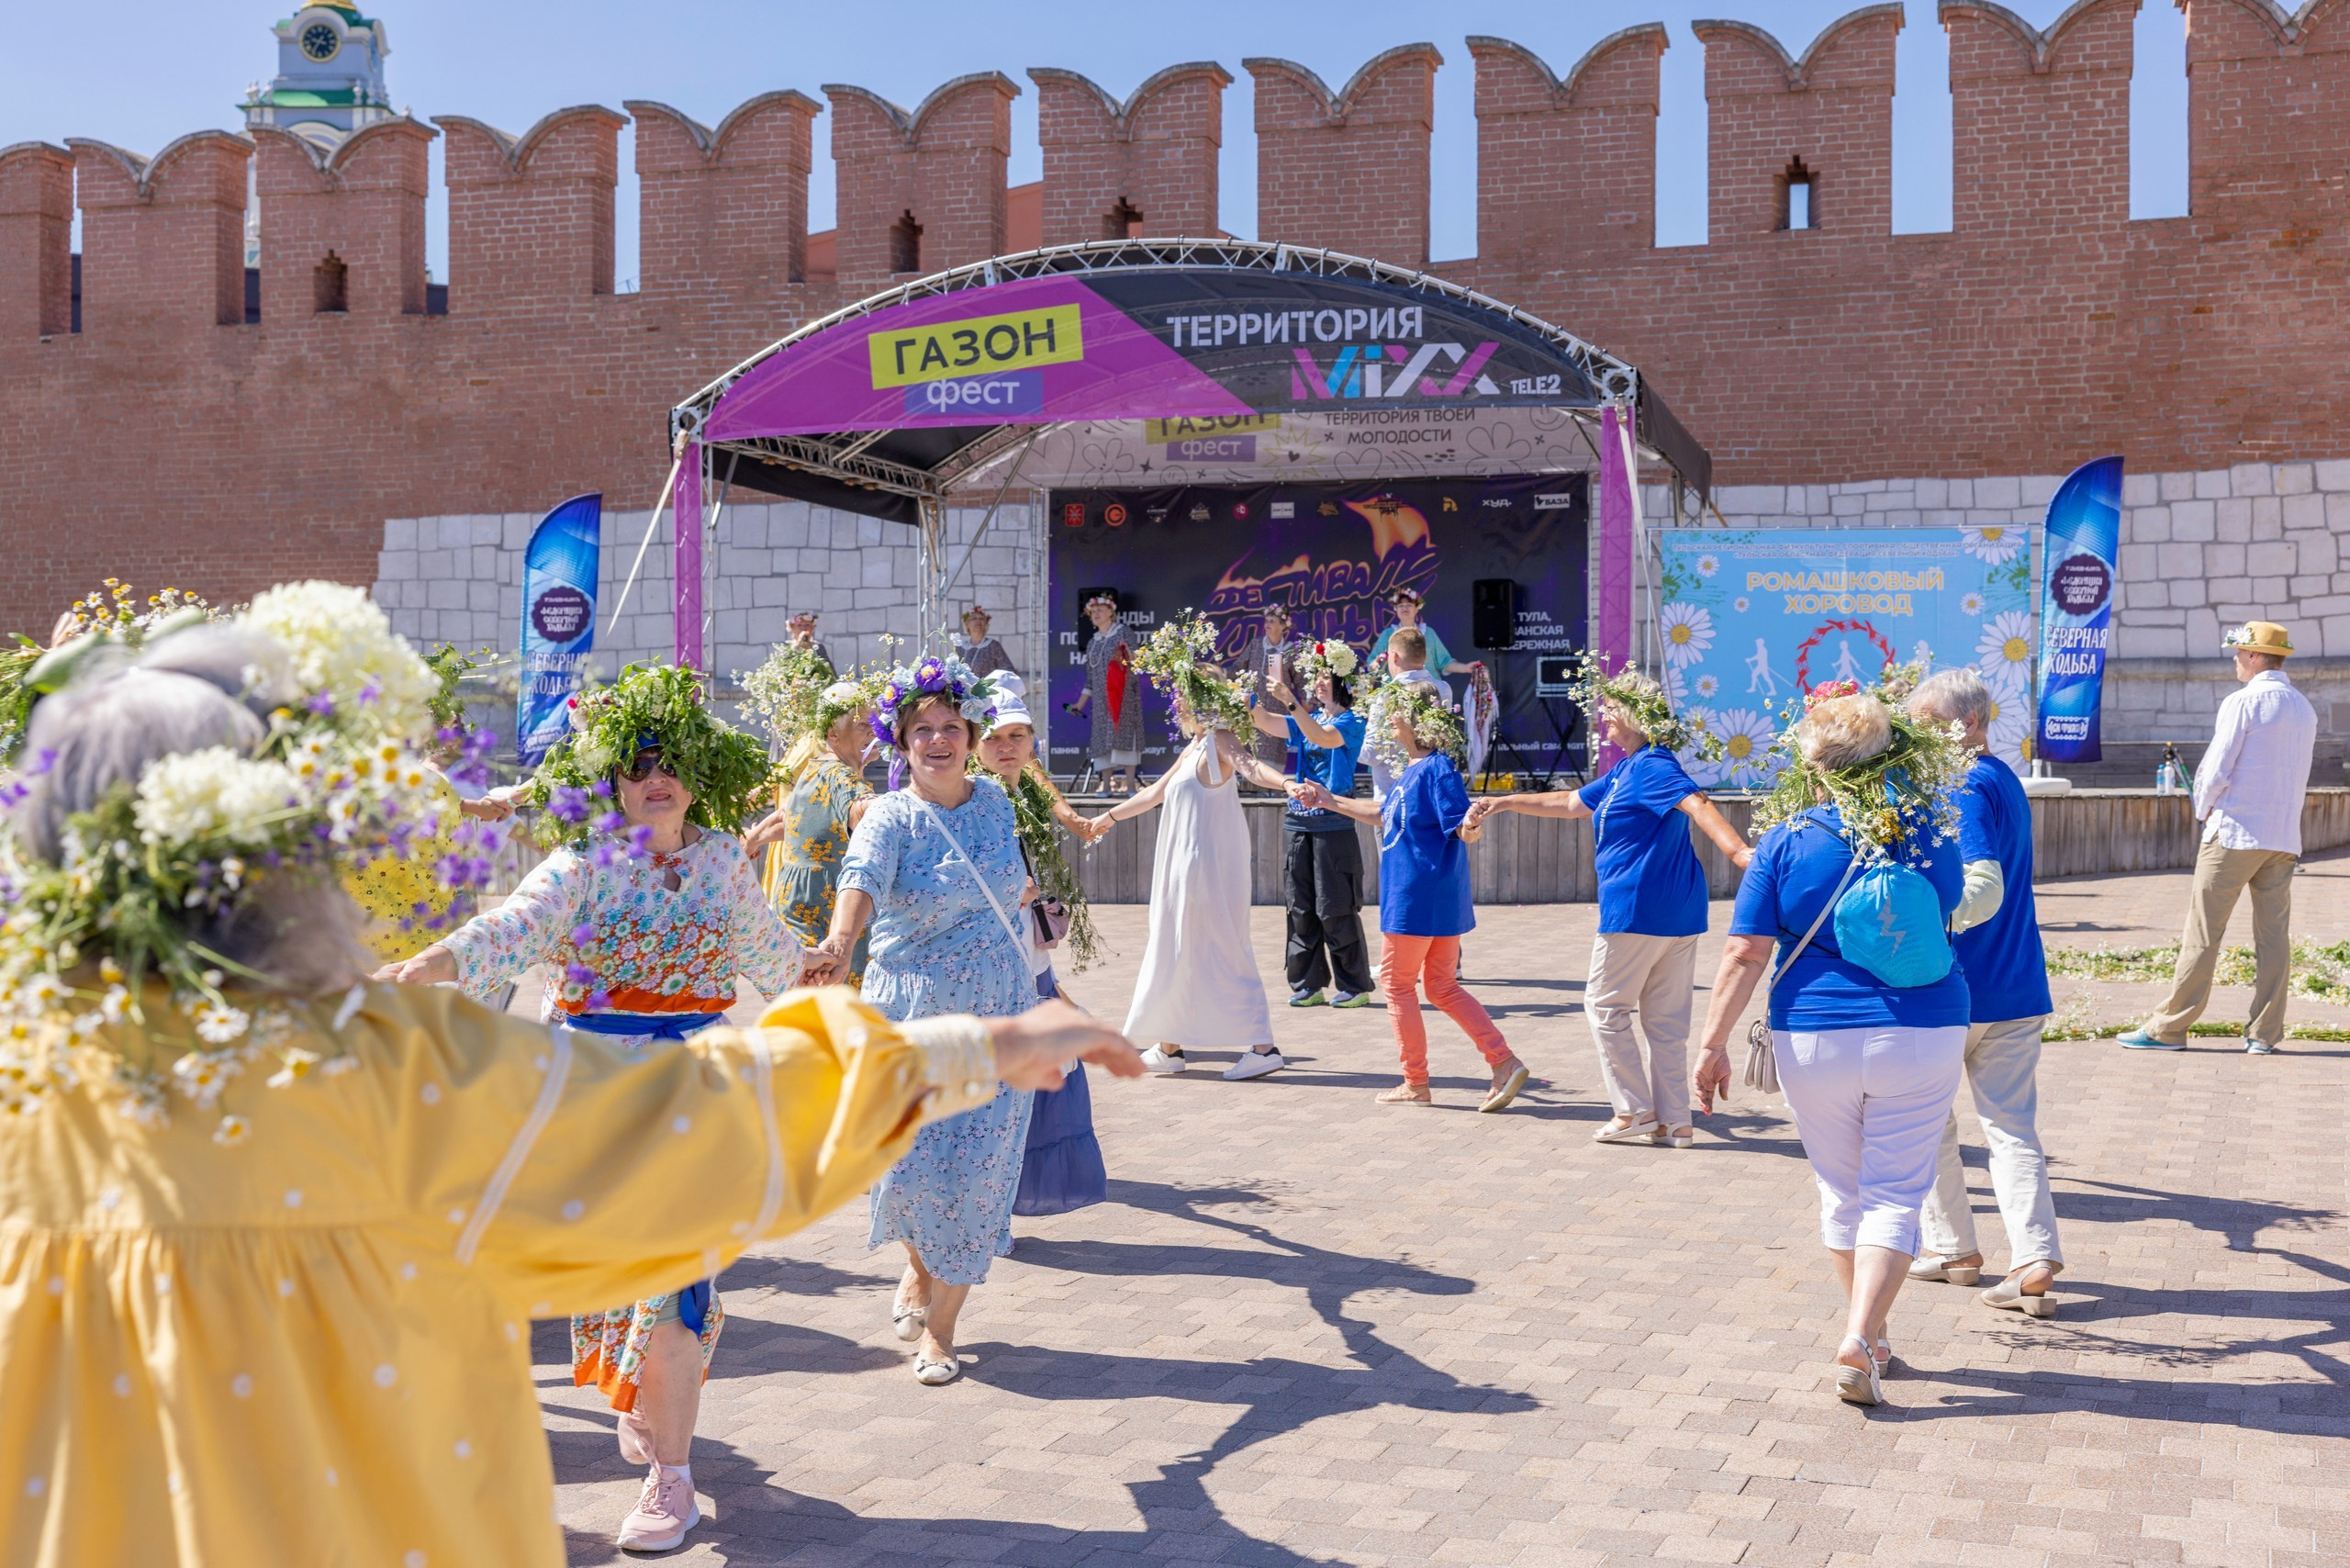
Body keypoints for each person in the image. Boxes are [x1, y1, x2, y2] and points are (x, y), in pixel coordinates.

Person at [0, 598, 1148, 1568]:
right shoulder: (388, 1068)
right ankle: (662, 1438)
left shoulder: (24, 1088)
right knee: (642, 1290)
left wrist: (860, 977)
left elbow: (743, 980)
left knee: (668, 1304)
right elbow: (703, 1126)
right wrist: (975, 1049)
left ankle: (673, 1454)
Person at [384, 666, 801, 1552]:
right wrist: (438, 961)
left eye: (673, 761)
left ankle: (673, 1479)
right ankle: (651, 1403)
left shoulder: (724, 859)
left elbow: (776, 958)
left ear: (699, 776)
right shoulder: (581, 863)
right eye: (638, 763)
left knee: (672, 1285)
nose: (658, 776)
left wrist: (839, 966)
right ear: (611, 781)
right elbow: (513, 926)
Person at [1690, 683, 1971, 1406]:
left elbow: (1745, 951)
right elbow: (1944, 912)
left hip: (1813, 1033)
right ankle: (1863, 1335)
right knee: (1896, 1194)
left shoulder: (1787, 838)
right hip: (1922, 1027)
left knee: (1842, 1191)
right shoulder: (1928, 830)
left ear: (1816, 765)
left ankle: (1866, 1336)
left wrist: (1712, 1044)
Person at [801, 655, 1036, 1386]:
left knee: (979, 1178)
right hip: (909, 1018)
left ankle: (940, 1330)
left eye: (950, 728)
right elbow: (859, 879)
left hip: (998, 1021)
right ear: (900, 746)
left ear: (970, 735)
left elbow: (1015, 879)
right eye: (921, 731)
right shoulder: (889, 815)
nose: (938, 740)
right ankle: (917, 1269)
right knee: (908, 1174)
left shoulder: (999, 804)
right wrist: (841, 943)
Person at [1469, 670, 1751, 1148]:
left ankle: (1635, 1111)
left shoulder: (1654, 766)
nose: (1602, 716)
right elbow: (1570, 801)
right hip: (1675, 912)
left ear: (1631, 715)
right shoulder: (1627, 770)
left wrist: (1739, 853)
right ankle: (1675, 1120)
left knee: (1604, 1007)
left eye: (1609, 708)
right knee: (1663, 1020)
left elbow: (1698, 804)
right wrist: (1505, 802)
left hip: (1639, 909)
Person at [1904, 669, 2066, 1318]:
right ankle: (2016, 1256)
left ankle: (1960, 1250)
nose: (1915, 732)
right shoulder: (2001, 777)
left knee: (1925, 1120)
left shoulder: (1966, 785)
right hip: (2017, 983)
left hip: (1959, 988)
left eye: (1924, 720)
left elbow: (1985, 887)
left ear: (1967, 724)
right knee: (2010, 1129)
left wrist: (1923, 927)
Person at [1299, 681, 1531, 1109]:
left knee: (1396, 983)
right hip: (1433, 897)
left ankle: (1416, 1082)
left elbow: (1462, 825)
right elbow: (1383, 815)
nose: (1388, 718)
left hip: (1416, 896)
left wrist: (1471, 827)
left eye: (1395, 710)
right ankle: (1502, 1061)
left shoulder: (1437, 768)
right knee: (1440, 986)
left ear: (1416, 719)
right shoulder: (1416, 769)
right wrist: (1328, 800)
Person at [1087, 628, 1290, 1079]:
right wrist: (1108, 818)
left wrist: (1290, 783)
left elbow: (1253, 768)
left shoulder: (1220, 739)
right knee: (1177, 949)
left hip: (1206, 872)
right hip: (1181, 870)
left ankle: (1264, 1047)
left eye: (1181, 697)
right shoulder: (1195, 746)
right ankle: (1169, 1047)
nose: (1175, 705)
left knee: (1223, 950)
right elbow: (1155, 793)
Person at [2119, 621, 2318, 1055]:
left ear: (2254, 656)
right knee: (2273, 937)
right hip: (2283, 836)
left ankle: (2170, 1028)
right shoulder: (2304, 708)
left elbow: (2215, 769)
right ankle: (2264, 1035)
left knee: (2203, 933)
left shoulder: (2243, 701)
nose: (2234, 659)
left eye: (2239, 652)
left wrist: (2202, 811)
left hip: (2234, 832)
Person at [971, 674, 1110, 1217]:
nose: (1006, 748)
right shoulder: (970, 798)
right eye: (994, 738)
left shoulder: (1018, 790)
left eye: (1018, 737)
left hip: (1027, 958)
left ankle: (1001, 1204)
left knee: (1038, 1086)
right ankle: (984, 1209)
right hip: (987, 962)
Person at [1248, 641, 1374, 1008]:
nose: (1317, 683)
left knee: (1335, 907)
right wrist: (1246, 706)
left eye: (1324, 678)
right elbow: (1269, 724)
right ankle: (1308, 984)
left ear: (1342, 682)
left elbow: (1322, 739)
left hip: (1334, 825)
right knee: (1300, 907)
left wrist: (1291, 701)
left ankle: (1354, 987)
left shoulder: (1351, 722)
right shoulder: (1312, 717)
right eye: (1315, 677)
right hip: (1298, 822)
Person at [745, 678, 878, 985]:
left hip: (803, 900)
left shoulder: (819, 765)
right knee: (828, 1006)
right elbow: (866, 809)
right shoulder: (841, 776)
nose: (873, 732)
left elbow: (791, 817)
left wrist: (753, 839)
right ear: (833, 734)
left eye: (874, 723)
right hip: (822, 908)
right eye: (861, 725)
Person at [1066, 592, 1142, 795]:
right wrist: (1080, 704)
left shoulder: (1123, 632)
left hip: (1123, 697)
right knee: (1102, 741)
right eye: (1093, 612)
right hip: (1101, 702)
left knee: (1125, 737)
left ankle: (1131, 786)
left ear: (1111, 612)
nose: (1096, 614)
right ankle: (1107, 785)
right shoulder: (1093, 642)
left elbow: (1137, 660)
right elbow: (1090, 679)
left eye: (1100, 610)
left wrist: (1129, 652)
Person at [1369, 625, 1452, 804]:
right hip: (1431, 791)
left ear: (1395, 656)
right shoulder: (1444, 689)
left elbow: (1370, 753)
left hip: (1391, 796)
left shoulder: (1384, 696)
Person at [1229, 602, 1305, 784]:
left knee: (1272, 744)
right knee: (1250, 741)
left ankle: (1270, 785)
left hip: (1278, 706)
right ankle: (1248, 784)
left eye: (1272, 621)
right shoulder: (1256, 644)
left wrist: (1307, 698)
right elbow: (1239, 666)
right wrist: (1224, 675)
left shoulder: (1290, 650)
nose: (1267, 624)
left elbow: (1300, 680)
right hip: (1254, 704)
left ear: (1283, 625)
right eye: (1267, 620)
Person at [1367, 585, 1480, 682]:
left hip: (1428, 690)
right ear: (1395, 610)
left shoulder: (1428, 633)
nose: (1405, 608)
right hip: (1397, 693)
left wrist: (1465, 668)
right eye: (1400, 605)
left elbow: (1444, 662)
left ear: (1417, 608)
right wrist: (1376, 664)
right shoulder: (1388, 634)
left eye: (1409, 605)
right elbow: (1372, 663)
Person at [955, 604, 1019, 680]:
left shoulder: (993, 646)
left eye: (981, 618)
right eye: (974, 618)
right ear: (967, 624)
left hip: (988, 690)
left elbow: (1007, 670)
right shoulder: (961, 647)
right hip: (964, 691)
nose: (978, 621)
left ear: (986, 624)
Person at [786, 610, 834, 675]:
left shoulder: (818, 647)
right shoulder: (786, 647)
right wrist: (797, 646)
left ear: (812, 628)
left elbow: (830, 672)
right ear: (792, 629)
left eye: (807, 625)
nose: (804, 628)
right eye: (799, 625)